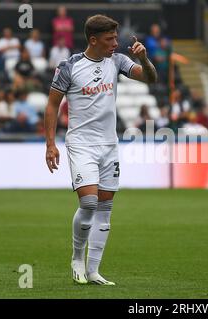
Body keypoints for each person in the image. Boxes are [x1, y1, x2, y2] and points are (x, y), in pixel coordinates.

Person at [44, 14, 157, 286]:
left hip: (109, 145)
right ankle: (76, 258)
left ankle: (93, 270)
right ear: (93, 40)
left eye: (116, 38)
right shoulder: (69, 66)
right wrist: (50, 144)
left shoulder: (117, 61)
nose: (115, 43)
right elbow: (51, 105)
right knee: (89, 202)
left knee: (105, 207)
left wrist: (143, 58)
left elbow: (150, 79)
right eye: (110, 39)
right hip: (81, 144)